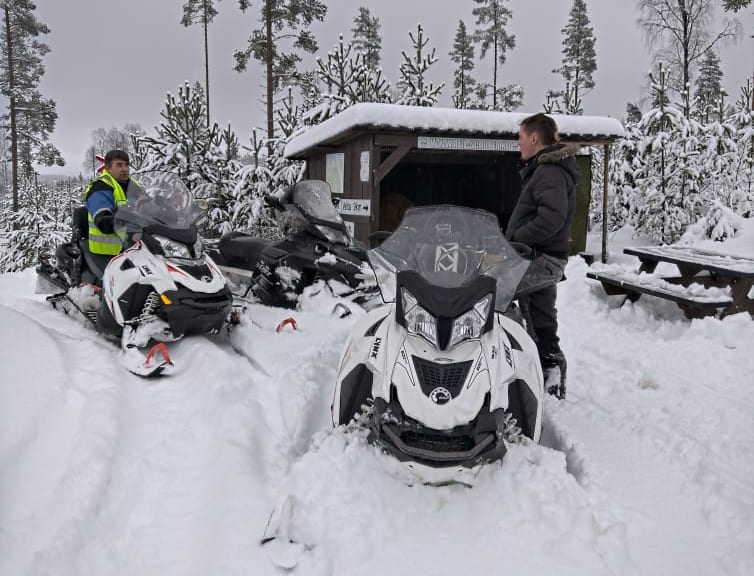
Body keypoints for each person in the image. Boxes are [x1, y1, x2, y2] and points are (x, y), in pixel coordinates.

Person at [506, 113, 580, 399]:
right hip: (542, 257)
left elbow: (552, 218)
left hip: (541, 258)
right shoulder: (547, 169)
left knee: (492, 294)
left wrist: (517, 239)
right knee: (540, 317)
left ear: (534, 138)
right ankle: (548, 376)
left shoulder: (549, 171)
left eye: (521, 137)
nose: (519, 143)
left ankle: (537, 372)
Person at [83, 150, 138, 265]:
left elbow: (148, 205)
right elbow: (103, 219)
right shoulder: (100, 187)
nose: (124, 169)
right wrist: (124, 214)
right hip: (108, 254)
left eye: (126, 165)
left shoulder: (133, 185)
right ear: (107, 168)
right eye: (119, 165)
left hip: (134, 248)